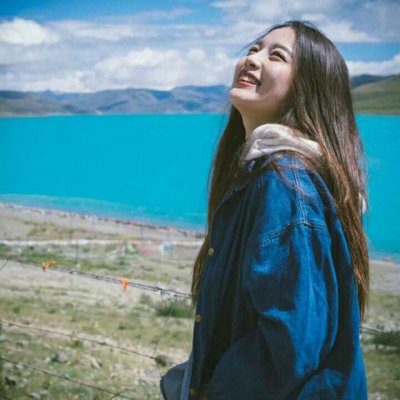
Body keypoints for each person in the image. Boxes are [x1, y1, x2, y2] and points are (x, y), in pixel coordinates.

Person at [160, 20, 369, 399]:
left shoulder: (285, 183)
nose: (253, 59)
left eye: (277, 56)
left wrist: (211, 392)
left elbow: (290, 346)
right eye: (254, 48)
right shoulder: (265, 172)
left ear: (307, 87)